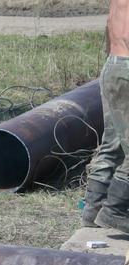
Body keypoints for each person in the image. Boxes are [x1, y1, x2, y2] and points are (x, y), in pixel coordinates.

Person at [82, 0, 129, 232]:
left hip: (113, 65)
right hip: (126, 68)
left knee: (113, 143)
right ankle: (114, 211)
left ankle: (94, 209)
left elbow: (113, 26)